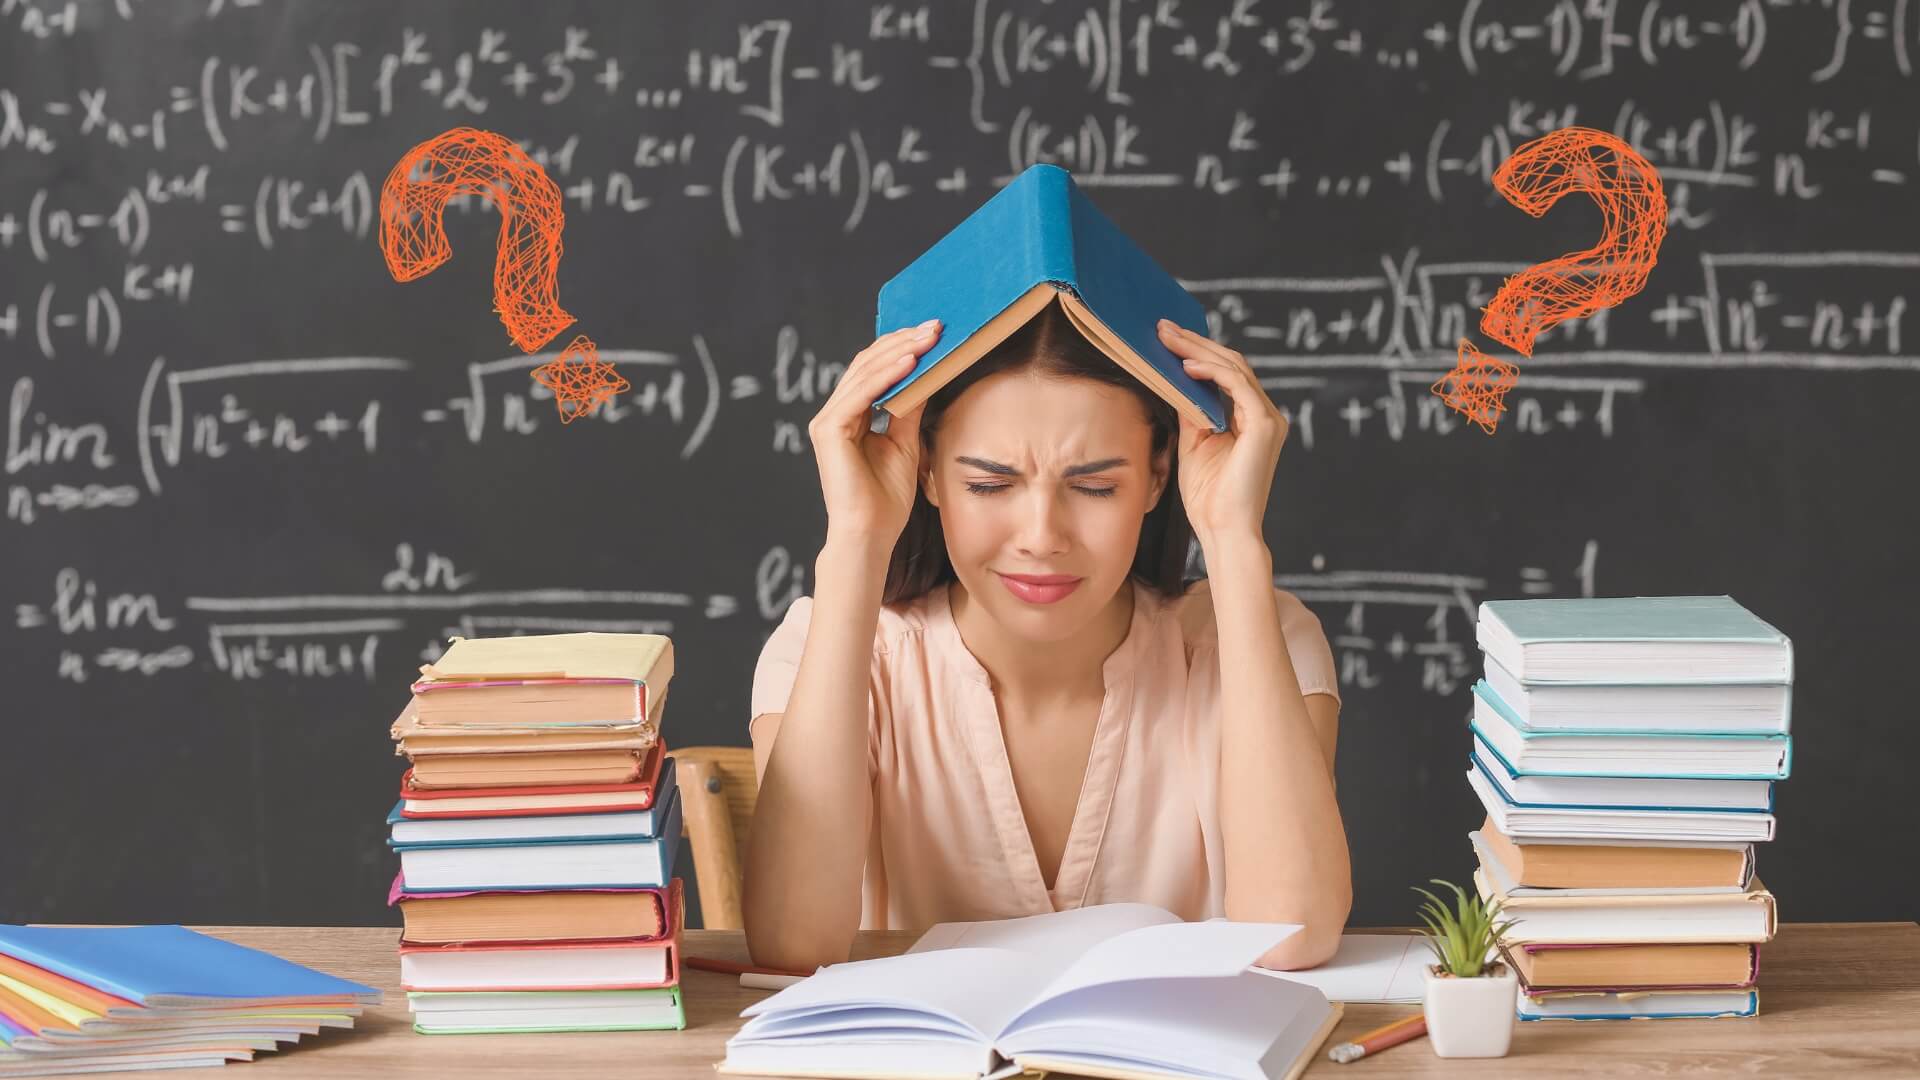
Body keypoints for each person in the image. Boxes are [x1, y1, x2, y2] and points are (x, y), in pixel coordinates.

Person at [743, 302, 1350, 973]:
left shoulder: (1262, 638)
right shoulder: (825, 648)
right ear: (926, 472)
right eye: (988, 484)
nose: (1040, 537)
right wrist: (857, 541)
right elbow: (791, 945)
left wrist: (1234, 539)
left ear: (1156, 476)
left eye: (1093, 487)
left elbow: (1291, 933)